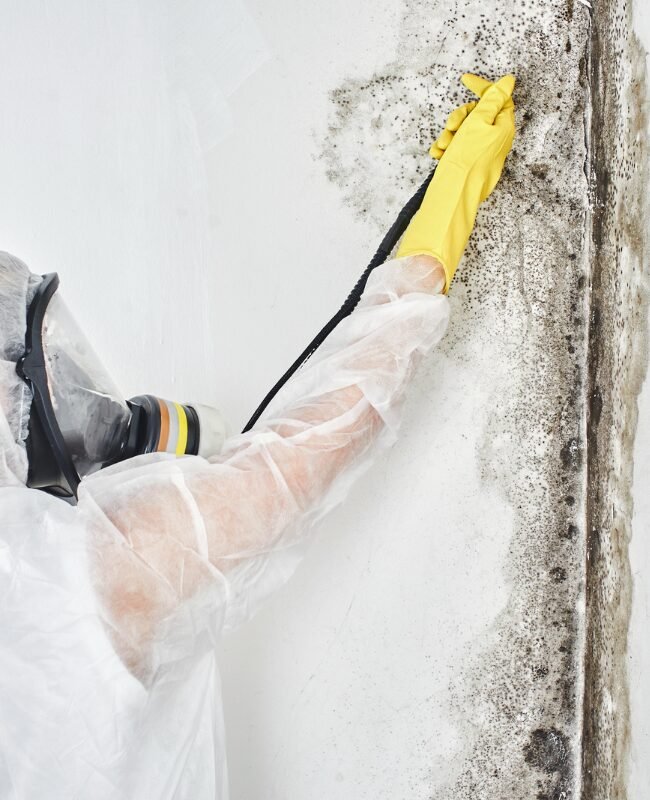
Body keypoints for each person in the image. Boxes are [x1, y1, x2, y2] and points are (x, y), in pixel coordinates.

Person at [0, 73, 515, 799]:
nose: (65, 380)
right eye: (36, 366)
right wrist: (446, 211)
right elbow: (310, 451)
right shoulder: (52, 585)